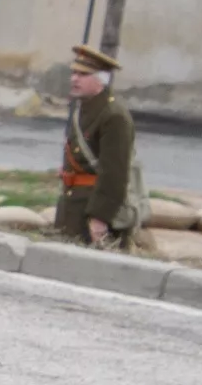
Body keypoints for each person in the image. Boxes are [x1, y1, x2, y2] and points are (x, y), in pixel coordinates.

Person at [57, 44, 142, 248]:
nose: (74, 79)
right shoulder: (85, 108)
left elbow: (114, 173)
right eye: (74, 72)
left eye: (83, 74)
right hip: (74, 207)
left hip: (94, 213)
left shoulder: (114, 115)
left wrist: (100, 218)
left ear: (100, 80)